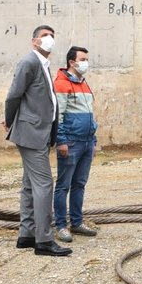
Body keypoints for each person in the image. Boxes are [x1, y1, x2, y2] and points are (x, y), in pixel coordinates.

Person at [4, 25, 70, 257]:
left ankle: (27, 235)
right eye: (44, 36)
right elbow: (14, 95)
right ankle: (43, 240)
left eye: (52, 36)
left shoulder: (43, 65)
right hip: (31, 132)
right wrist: (9, 119)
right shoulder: (29, 63)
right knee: (44, 185)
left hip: (39, 132)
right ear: (34, 42)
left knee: (30, 185)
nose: (49, 39)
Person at [52, 45, 98, 244]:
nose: (86, 62)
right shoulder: (61, 84)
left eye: (87, 59)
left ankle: (77, 222)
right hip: (70, 143)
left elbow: (89, 113)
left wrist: (92, 137)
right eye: (83, 59)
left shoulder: (84, 84)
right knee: (63, 186)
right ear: (72, 62)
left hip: (87, 142)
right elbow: (57, 116)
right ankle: (61, 225)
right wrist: (61, 141)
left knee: (79, 184)